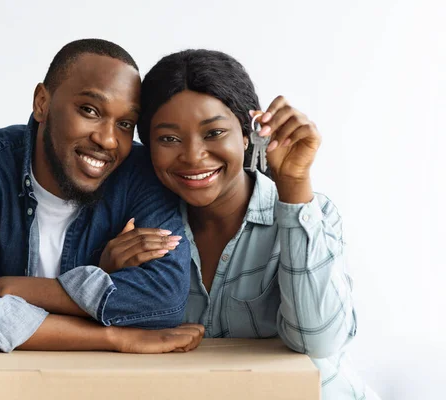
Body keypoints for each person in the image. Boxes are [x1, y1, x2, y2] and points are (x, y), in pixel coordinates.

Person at [105, 49, 379, 399]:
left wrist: (293, 184)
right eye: (169, 139)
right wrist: (107, 273)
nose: (192, 155)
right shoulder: (135, 226)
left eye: (214, 132)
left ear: (248, 135)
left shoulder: (311, 214)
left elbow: (317, 341)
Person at [0, 39, 204, 354]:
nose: (108, 140)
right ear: (42, 102)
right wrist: (112, 336)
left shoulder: (140, 175)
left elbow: (165, 300)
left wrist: (9, 289)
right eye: (89, 110)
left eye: (124, 124)